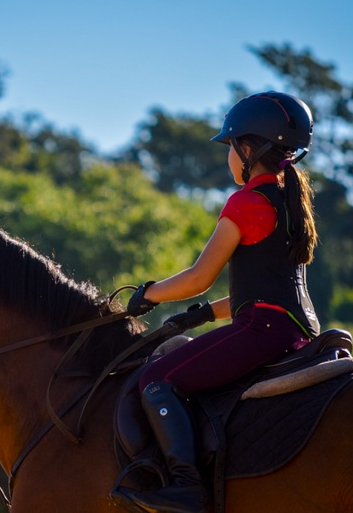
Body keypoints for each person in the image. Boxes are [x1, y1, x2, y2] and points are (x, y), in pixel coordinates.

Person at [111, 91, 321, 513]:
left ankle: (187, 487)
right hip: (299, 330)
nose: (228, 157)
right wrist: (204, 315)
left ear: (248, 148)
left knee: (156, 382)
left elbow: (197, 277)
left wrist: (145, 294)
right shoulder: (293, 203)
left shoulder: (246, 202)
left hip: (262, 331)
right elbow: (266, 290)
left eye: (230, 147)